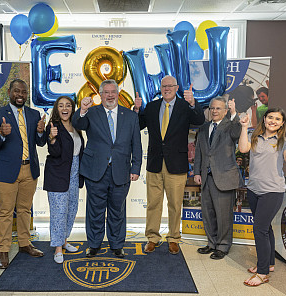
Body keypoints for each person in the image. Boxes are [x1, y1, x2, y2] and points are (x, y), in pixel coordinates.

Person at [135, 75, 205, 254]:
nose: (167, 88)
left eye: (170, 86)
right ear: (161, 87)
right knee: (153, 203)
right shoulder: (151, 107)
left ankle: (174, 238)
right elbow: (137, 125)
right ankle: (152, 237)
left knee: (174, 204)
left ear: (177, 87)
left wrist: (193, 103)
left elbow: (199, 120)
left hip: (177, 164)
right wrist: (136, 109)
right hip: (154, 163)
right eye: (164, 86)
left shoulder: (185, 106)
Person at [72, 79, 142, 258]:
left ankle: (117, 245)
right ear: (101, 95)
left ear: (118, 94)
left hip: (121, 171)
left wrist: (136, 168)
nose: (110, 95)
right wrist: (82, 109)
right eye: (106, 92)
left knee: (117, 210)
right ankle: (94, 245)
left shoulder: (131, 116)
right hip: (96, 171)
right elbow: (77, 124)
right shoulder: (91, 113)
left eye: (113, 92)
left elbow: (137, 145)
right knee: (95, 211)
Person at [0, 78, 46, 269]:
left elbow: (41, 142)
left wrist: (40, 132)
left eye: (23, 92)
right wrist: (2, 134)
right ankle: (3, 250)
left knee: (24, 210)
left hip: (30, 169)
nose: (20, 95)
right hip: (6, 171)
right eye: (16, 91)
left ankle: (24, 244)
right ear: (9, 92)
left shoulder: (34, 114)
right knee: (5, 212)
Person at [239, 108, 286, 286]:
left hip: (272, 191)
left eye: (278, 119)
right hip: (254, 189)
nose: (273, 121)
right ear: (264, 119)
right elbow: (243, 149)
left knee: (259, 229)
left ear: (282, 123)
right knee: (266, 229)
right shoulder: (255, 137)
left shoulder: (284, 141)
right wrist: (244, 127)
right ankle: (270, 263)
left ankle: (263, 272)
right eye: (270, 117)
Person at [193, 97, 242, 259]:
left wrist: (235, 113)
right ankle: (211, 243)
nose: (214, 111)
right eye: (212, 108)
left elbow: (238, 133)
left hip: (224, 178)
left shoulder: (230, 126)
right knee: (208, 213)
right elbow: (200, 152)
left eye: (218, 108)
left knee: (223, 215)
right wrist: (197, 173)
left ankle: (223, 245)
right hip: (206, 178)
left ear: (225, 111)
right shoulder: (204, 127)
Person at [43, 96, 84, 264]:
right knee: (59, 213)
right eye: (61, 105)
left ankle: (65, 240)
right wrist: (52, 138)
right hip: (58, 174)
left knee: (71, 209)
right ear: (57, 109)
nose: (64, 108)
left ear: (72, 109)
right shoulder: (53, 126)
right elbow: (55, 152)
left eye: (68, 105)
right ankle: (58, 248)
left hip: (74, 173)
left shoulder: (76, 127)